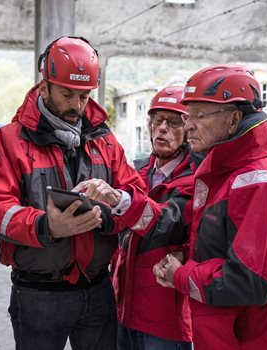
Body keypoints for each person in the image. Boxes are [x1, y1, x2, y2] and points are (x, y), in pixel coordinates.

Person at [0, 36, 148, 350]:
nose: (76, 105)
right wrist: (47, 226)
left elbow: (137, 196)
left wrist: (108, 212)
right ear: (44, 88)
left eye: (84, 96)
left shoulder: (104, 141)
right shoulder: (11, 140)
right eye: (67, 94)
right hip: (38, 295)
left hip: (98, 290)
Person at [153, 64, 267, 349]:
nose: (189, 124)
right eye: (189, 115)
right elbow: (224, 246)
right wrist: (186, 254)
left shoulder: (261, 184)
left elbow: (250, 282)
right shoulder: (223, 175)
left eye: (200, 115)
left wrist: (180, 274)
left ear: (234, 120)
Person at [110, 86, 195, 349]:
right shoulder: (137, 172)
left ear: (188, 129)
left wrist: (122, 201)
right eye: (157, 120)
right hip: (124, 307)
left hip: (164, 320)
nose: (162, 128)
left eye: (173, 122)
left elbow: (169, 223)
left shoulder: (196, 178)